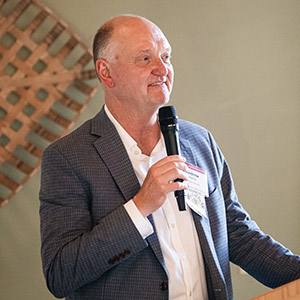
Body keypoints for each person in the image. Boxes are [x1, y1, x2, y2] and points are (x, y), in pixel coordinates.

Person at [39, 15, 300, 300]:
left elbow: (238, 235)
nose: (162, 69)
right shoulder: (67, 158)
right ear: (106, 72)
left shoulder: (200, 141)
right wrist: (139, 208)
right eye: (145, 59)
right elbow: (61, 274)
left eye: (166, 56)